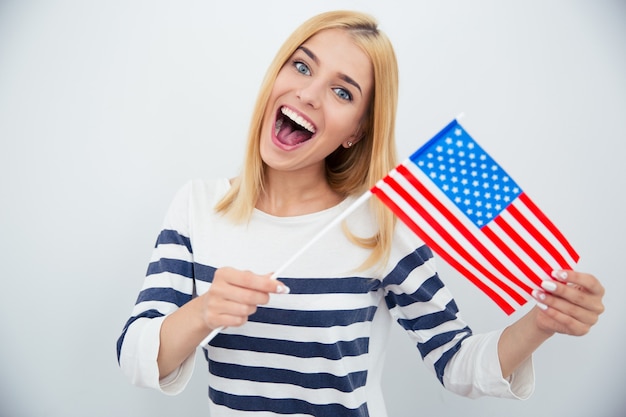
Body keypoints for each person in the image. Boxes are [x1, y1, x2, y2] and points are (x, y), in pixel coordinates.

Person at [116, 10, 605, 416]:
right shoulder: (198, 206)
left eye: (343, 91)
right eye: (303, 67)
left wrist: (542, 322)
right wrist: (203, 312)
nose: (308, 93)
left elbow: (455, 362)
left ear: (355, 131)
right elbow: (136, 356)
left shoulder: (381, 223)